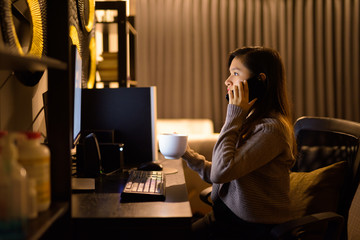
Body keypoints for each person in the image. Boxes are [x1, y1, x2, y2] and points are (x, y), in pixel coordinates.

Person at [181, 46, 296, 239]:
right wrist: (186, 153)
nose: (227, 81)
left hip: (248, 229)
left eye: (235, 73)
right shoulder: (251, 121)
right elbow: (222, 173)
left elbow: (221, 172)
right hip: (224, 218)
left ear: (260, 81)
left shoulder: (271, 130)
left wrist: (233, 115)